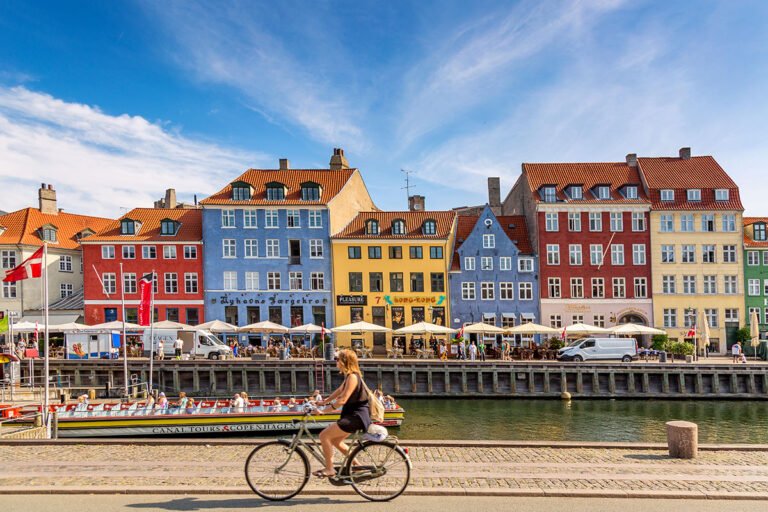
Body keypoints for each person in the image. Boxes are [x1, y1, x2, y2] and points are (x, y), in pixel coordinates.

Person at [314, 349, 371, 478]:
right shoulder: (349, 376)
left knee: (324, 436)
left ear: (344, 361)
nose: (336, 361)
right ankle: (357, 466)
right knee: (336, 441)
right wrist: (324, 402)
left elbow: (343, 399)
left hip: (356, 417)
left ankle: (330, 469)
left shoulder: (352, 377)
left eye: (337, 359)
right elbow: (339, 391)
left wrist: (323, 412)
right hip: (353, 416)